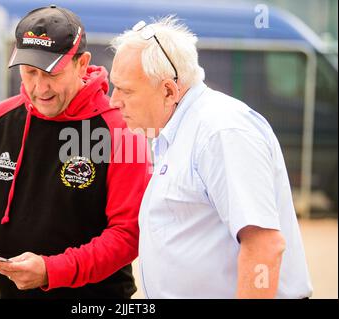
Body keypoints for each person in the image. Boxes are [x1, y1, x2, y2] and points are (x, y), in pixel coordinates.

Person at [0, 5, 150, 299]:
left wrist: (52, 271)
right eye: (29, 72)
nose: (40, 88)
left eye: (52, 73)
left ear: (82, 63)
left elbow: (128, 235)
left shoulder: (122, 131)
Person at [109, 16, 313, 298]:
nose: (114, 100)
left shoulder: (221, 131)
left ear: (169, 90)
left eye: (125, 90)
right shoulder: (179, 130)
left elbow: (264, 246)